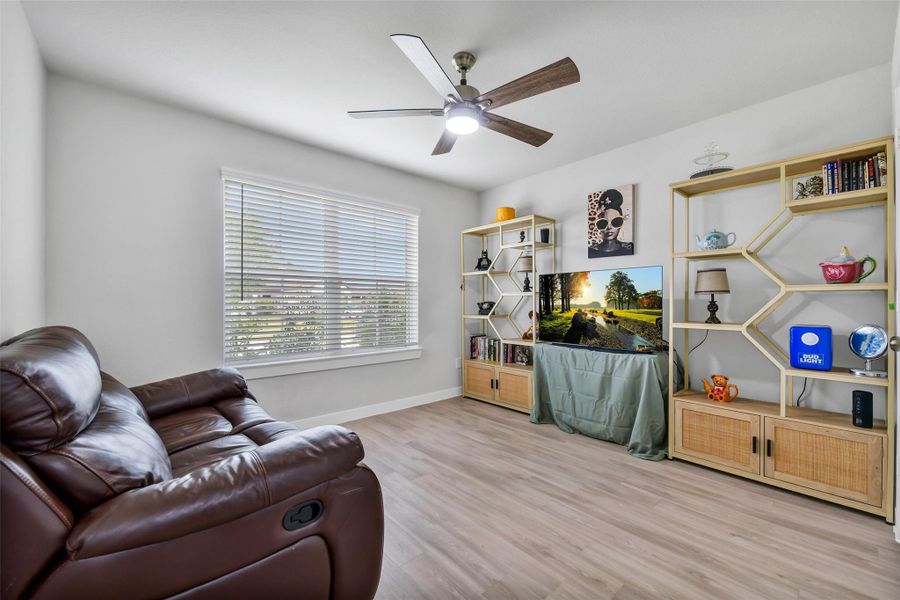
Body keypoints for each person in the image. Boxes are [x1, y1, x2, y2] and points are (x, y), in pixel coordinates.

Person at [589, 189, 633, 258]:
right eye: (603, 223)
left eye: (615, 222)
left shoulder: (629, 248)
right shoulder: (590, 251)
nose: (609, 227)